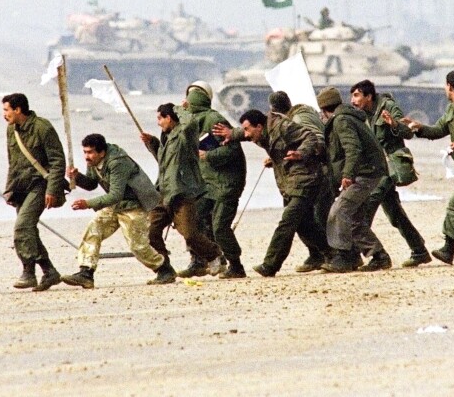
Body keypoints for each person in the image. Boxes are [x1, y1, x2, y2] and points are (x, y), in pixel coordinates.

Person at [213, 109, 330, 277]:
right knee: (304, 224)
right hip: (292, 181)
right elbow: (246, 133)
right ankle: (333, 254)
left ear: (259, 126)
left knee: (287, 223)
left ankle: (270, 265)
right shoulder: (261, 133)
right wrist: (231, 133)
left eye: (247, 129)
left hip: (306, 178)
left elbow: (310, 137)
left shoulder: (283, 127)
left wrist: (300, 153)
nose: (246, 134)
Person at [61, 134, 165, 289]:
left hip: (133, 205)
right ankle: (86, 273)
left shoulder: (118, 162)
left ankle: (164, 269)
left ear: (102, 153)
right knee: (93, 229)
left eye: (90, 152)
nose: (86, 157)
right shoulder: (94, 161)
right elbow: (91, 184)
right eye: (85, 152)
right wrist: (77, 177)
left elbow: (116, 194)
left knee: (138, 246)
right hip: (115, 205)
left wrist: (88, 204)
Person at [350, 79, 431, 267]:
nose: (353, 100)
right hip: (377, 168)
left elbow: (408, 133)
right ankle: (419, 250)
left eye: (356, 95)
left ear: (368, 96)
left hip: (390, 165)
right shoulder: (361, 114)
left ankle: (365, 255)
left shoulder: (388, 106)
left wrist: (393, 123)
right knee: (395, 214)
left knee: (368, 204)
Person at [140, 103, 222, 285]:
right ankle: (165, 270)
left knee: (190, 234)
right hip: (163, 192)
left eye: (160, 118)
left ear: (169, 118)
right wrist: (152, 143)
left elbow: (190, 122)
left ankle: (214, 255)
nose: (158, 123)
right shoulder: (167, 138)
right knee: (151, 232)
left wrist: (178, 108)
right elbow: (165, 164)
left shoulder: (185, 135)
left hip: (181, 192)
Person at [175, 81, 248, 279]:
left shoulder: (214, 120)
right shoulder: (190, 120)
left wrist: (209, 156)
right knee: (191, 220)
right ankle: (199, 260)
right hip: (205, 183)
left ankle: (236, 265)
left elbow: (231, 149)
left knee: (220, 226)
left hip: (226, 182)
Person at [317, 87, 392, 273]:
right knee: (355, 219)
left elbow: (353, 149)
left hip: (365, 173)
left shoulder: (341, 120)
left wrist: (347, 175)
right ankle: (379, 256)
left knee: (339, 211)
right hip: (369, 171)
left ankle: (343, 257)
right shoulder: (347, 117)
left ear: (325, 109)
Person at [2, 93, 67, 292]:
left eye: (6, 110)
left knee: (22, 227)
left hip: (41, 185)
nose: (4, 115)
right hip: (20, 187)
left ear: (18, 109)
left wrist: (53, 189)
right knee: (29, 230)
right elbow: (13, 162)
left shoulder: (42, 127)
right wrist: (10, 190)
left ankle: (28, 272)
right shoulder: (11, 130)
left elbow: (57, 161)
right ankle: (49, 272)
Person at [404, 71, 454, 264]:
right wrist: (419, 127)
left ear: (449, 86)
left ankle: (449, 249)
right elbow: (438, 130)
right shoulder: (451, 110)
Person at [267, 91, 334, 271]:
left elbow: (316, 140)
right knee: (306, 220)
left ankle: (336, 255)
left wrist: (302, 154)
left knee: (314, 217)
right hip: (310, 174)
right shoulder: (298, 117)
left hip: (315, 174)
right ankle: (319, 255)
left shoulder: (297, 120)